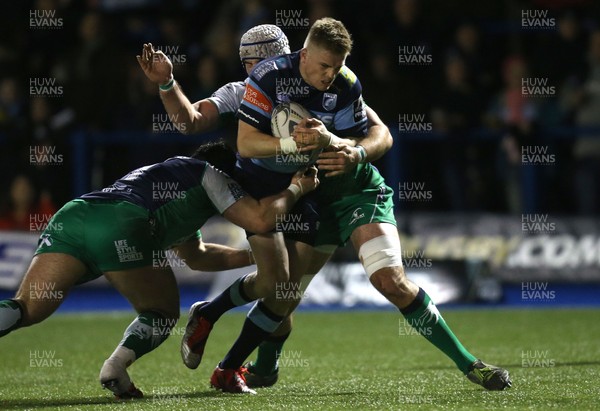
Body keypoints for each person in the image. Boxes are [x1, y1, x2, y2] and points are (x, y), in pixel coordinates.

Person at [193, 18, 511, 394]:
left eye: (337, 65)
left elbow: (380, 135)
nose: (331, 73)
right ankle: (260, 365)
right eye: (325, 66)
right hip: (311, 199)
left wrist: (353, 152)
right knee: (282, 295)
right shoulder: (264, 81)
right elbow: (241, 142)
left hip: (356, 193)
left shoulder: (345, 84)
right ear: (304, 54)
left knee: (389, 282)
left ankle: (469, 364)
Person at [0, 141, 318, 399]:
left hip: (74, 215)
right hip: (121, 224)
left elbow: (199, 257)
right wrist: (296, 190)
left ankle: (115, 370)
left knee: (27, 308)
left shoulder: (174, 185)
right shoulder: (212, 174)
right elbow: (261, 219)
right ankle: (115, 367)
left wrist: (255, 257)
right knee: (161, 312)